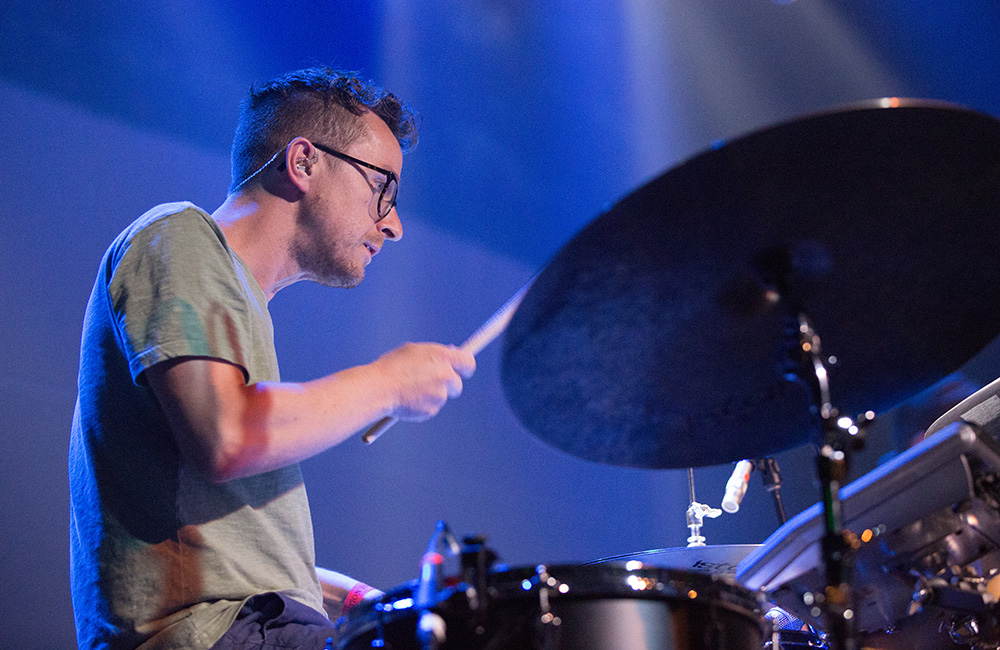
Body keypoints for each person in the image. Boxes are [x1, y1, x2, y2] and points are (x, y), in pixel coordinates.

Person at [69, 67, 476, 650]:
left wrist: (352, 600)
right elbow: (227, 435)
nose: (393, 224)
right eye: (382, 187)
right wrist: (387, 382)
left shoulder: (236, 305)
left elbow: (231, 555)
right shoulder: (177, 234)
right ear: (303, 162)